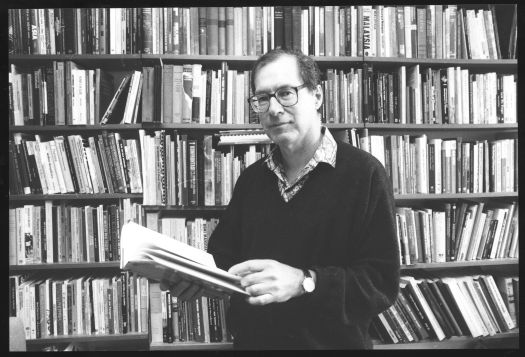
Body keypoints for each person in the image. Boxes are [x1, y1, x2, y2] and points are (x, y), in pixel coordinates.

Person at [165, 48, 400, 349]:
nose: (273, 109)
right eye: (262, 98)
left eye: (286, 93)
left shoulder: (365, 174)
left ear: (317, 96)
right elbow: (225, 260)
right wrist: (196, 279)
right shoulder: (251, 180)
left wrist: (305, 282)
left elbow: (380, 283)